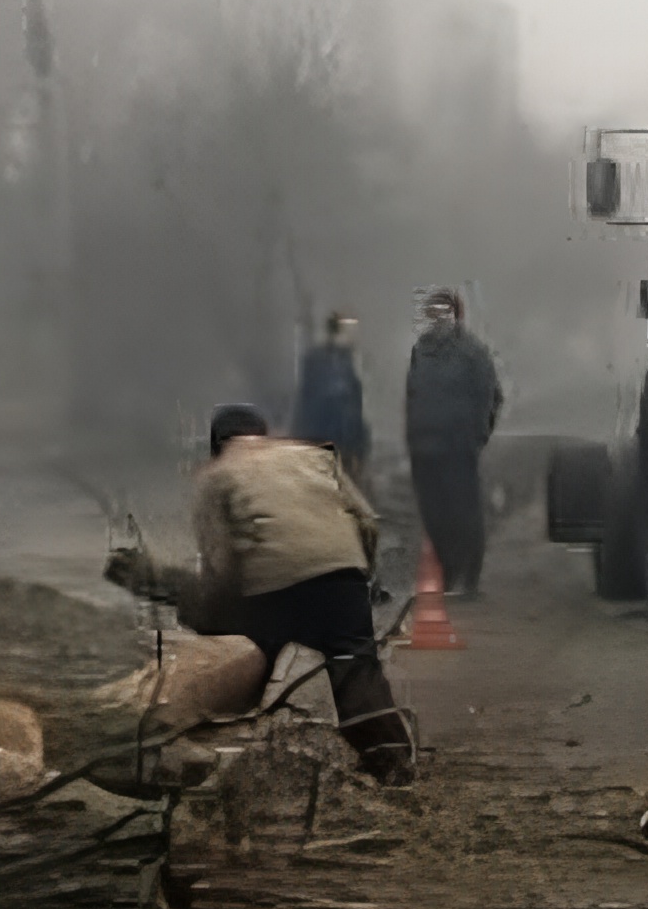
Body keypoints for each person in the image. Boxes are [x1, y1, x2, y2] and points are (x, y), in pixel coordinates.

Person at [105, 405, 414, 784]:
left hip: (273, 584)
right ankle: (392, 765)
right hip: (342, 576)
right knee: (356, 670)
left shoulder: (216, 476)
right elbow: (366, 521)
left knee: (242, 655)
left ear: (217, 445)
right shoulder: (314, 456)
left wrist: (204, 606)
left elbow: (219, 561)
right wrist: (359, 576)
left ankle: (202, 727)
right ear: (264, 435)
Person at [404, 288, 502, 596]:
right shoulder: (421, 350)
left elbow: (491, 396)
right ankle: (447, 574)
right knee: (434, 513)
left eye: (443, 310)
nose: (437, 317)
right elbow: (413, 394)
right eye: (432, 311)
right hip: (424, 447)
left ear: (456, 314)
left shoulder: (473, 351)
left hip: (457, 445)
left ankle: (468, 579)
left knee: (462, 510)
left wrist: (477, 436)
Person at [292, 311, 369, 480]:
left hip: (333, 435)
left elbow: (355, 403)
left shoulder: (340, 359)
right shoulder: (327, 360)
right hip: (325, 435)